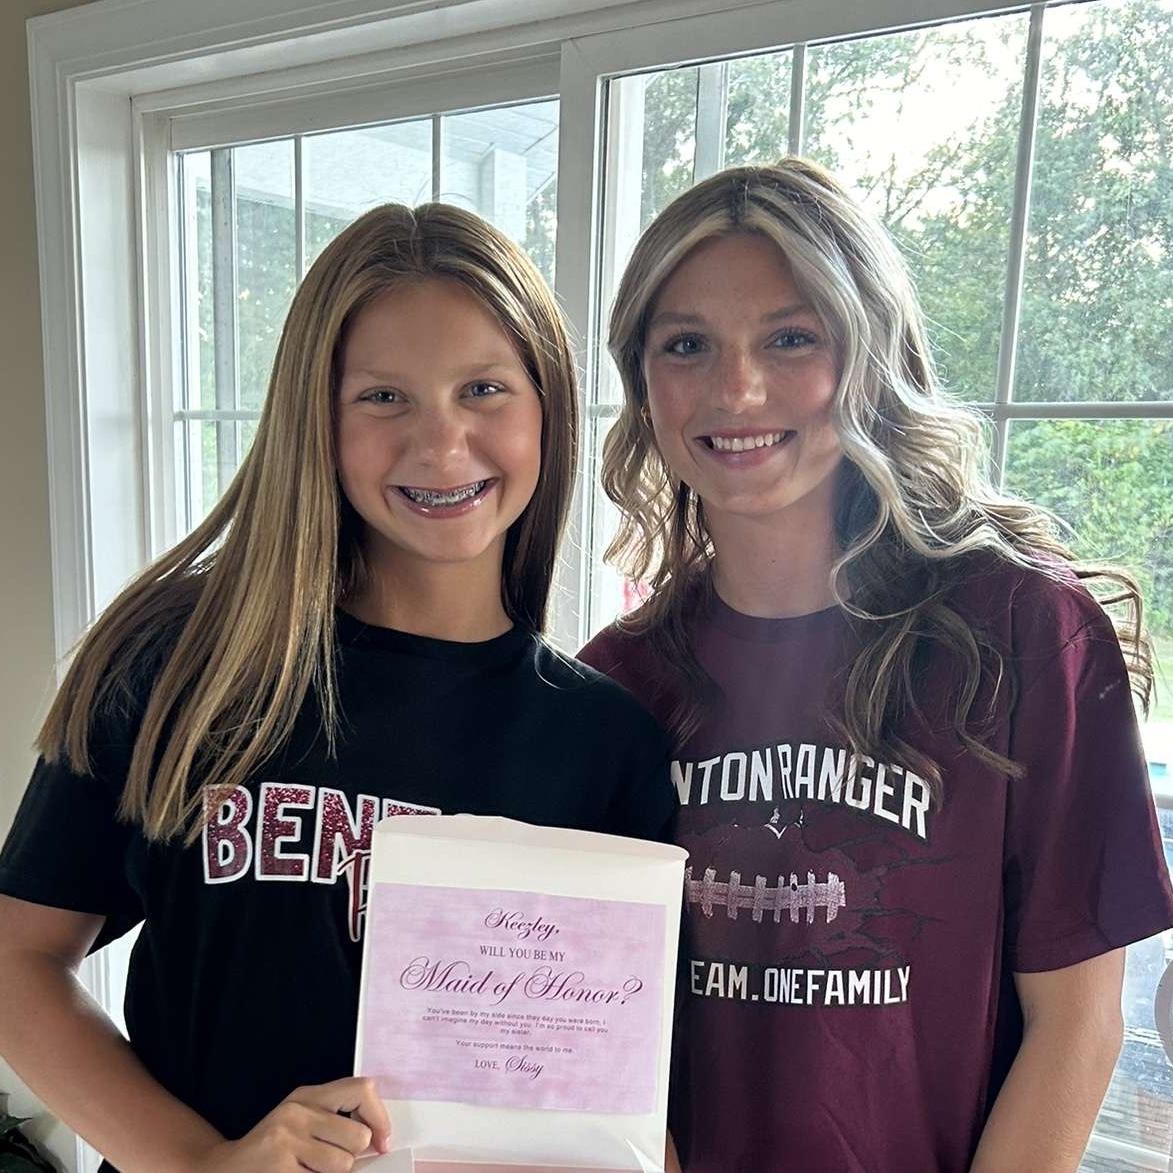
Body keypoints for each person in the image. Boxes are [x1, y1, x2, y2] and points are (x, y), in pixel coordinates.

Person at [0, 202, 675, 1173]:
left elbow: (611, 1099)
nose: (440, 445)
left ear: (548, 408)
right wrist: (201, 1164)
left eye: (483, 388)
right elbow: (18, 960)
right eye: (382, 397)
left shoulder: (606, 742)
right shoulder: (181, 659)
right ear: (314, 417)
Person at [579, 158, 1173, 1173]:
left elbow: (1077, 1023)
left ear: (870, 354)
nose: (736, 388)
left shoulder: (1024, 635)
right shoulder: (613, 687)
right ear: (643, 382)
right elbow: (594, 1043)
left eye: (791, 337)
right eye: (686, 345)